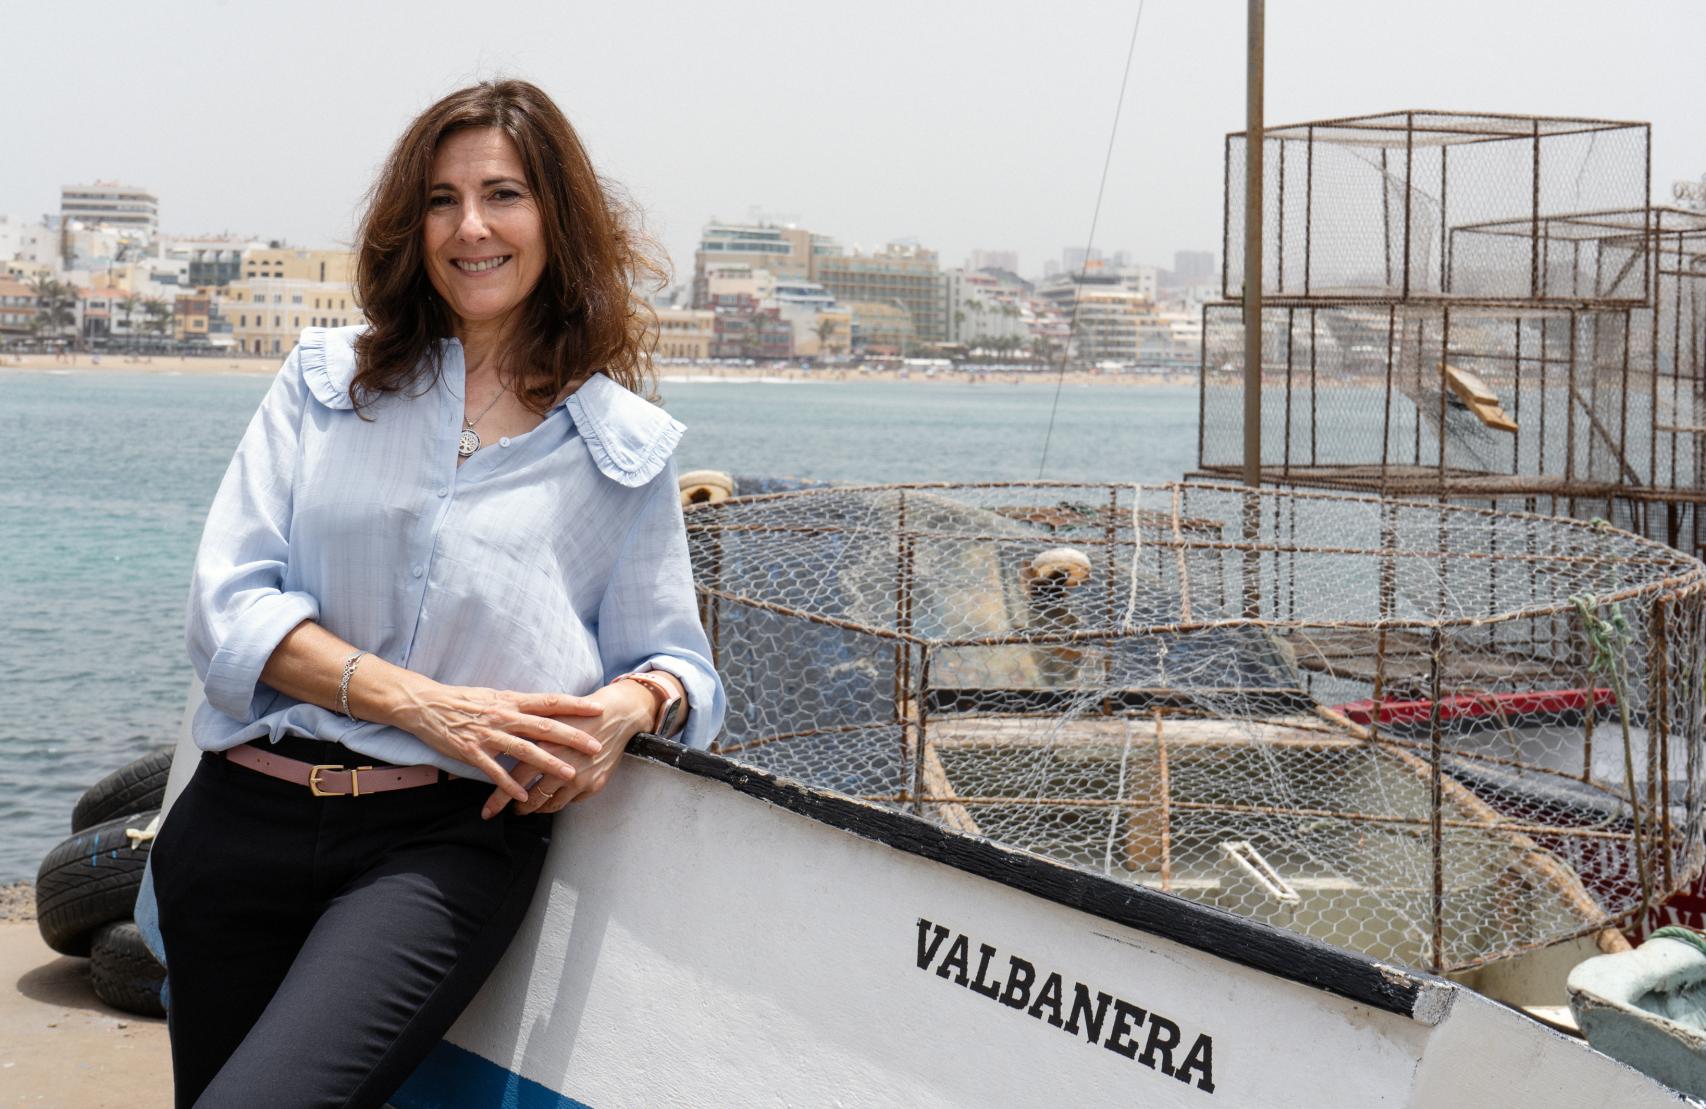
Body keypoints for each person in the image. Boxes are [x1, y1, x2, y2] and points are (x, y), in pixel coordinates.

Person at [145, 79, 724, 1108]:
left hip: (437, 850)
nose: (469, 227)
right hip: (236, 823)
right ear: (408, 225)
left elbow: (677, 659)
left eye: (502, 194)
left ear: (555, 216)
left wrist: (628, 710)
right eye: (439, 199)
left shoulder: (620, 447)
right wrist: (422, 701)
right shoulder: (323, 383)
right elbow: (227, 612)